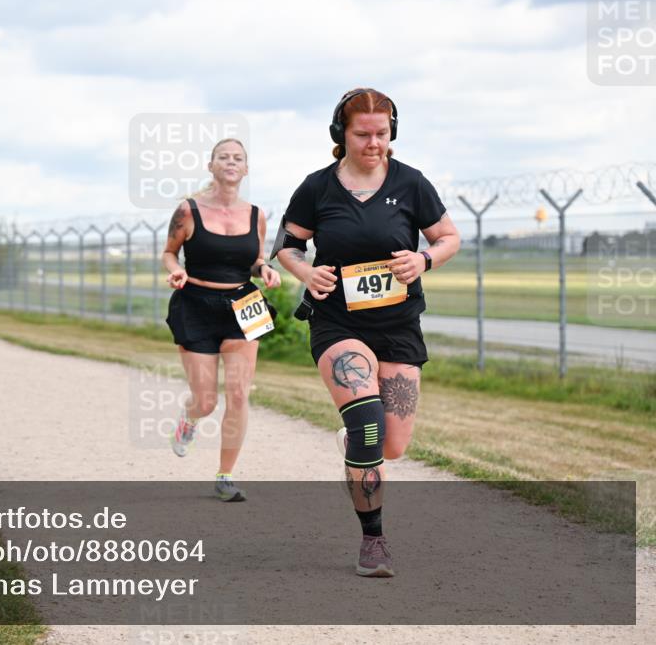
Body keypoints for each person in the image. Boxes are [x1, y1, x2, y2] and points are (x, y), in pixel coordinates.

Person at [275, 88, 460, 577]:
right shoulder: (317, 188)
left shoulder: (411, 183)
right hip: (338, 322)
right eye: (363, 134)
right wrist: (305, 272)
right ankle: (373, 541)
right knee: (368, 425)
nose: (374, 142)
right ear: (341, 134)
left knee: (392, 446)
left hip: (398, 326)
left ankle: (359, 452)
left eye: (382, 133)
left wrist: (423, 259)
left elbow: (448, 237)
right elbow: (288, 244)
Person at [162, 138, 282, 503]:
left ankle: (225, 475)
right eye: (223, 157)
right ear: (211, 166)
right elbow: (169, 253)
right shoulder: (188, 210)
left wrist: (265, 269)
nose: (231, 162)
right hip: (195, 301)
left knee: (240, 394)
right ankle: (189, 419)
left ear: (245, 169)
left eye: (238, 158)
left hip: (243, 303)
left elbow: (254, 258)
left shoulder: (256, 214)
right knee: (206, 400)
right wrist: (175, 272)